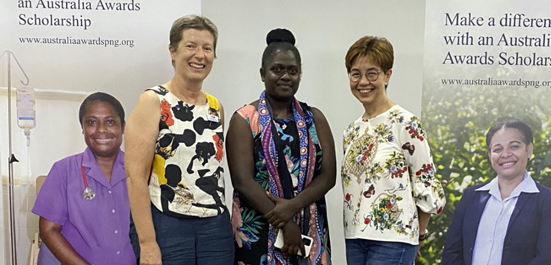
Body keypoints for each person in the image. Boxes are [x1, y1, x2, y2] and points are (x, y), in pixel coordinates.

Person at [125, 15, 233, 265]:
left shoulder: (216, 108)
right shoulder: (153, 101)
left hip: (215, 226)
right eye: (191, 46)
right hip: (167, 223)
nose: (200, 55)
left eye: (208, 48)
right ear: (172, 51)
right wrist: (147, 243)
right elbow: (135, 177)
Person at [227, 28, 336, 265]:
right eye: (277, 69)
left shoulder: (315, 118)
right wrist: (285, 223)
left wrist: (292, 208)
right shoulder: (244, 119)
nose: (285, 76)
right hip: (257, 230)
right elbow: (243, 182)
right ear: (262, 73)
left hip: (309, 230)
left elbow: (328, 176)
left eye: (292, 71)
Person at [341, 36, 445, 265]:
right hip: (355, 238)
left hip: (393, 240)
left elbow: (425, 179)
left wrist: (418, 234)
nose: (363, 81)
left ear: (387, 75)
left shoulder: (405, 123)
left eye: (372, 73)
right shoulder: (352, 131)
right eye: (356, 73)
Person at [442, 119, 551, 265]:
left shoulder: (547, 200)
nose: (505, 154)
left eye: (514, 146)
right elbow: (451, 253)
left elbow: (547, 259)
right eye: (497, 149)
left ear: (529, 149)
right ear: (490, 155)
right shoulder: (472, 196)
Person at [32, 92, 135, 265]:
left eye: (110, 121)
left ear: (123, 126)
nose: (101, 129)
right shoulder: (63, 170)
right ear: (82, 128)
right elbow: (48, 230)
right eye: (91, 122)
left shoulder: (138, 171)